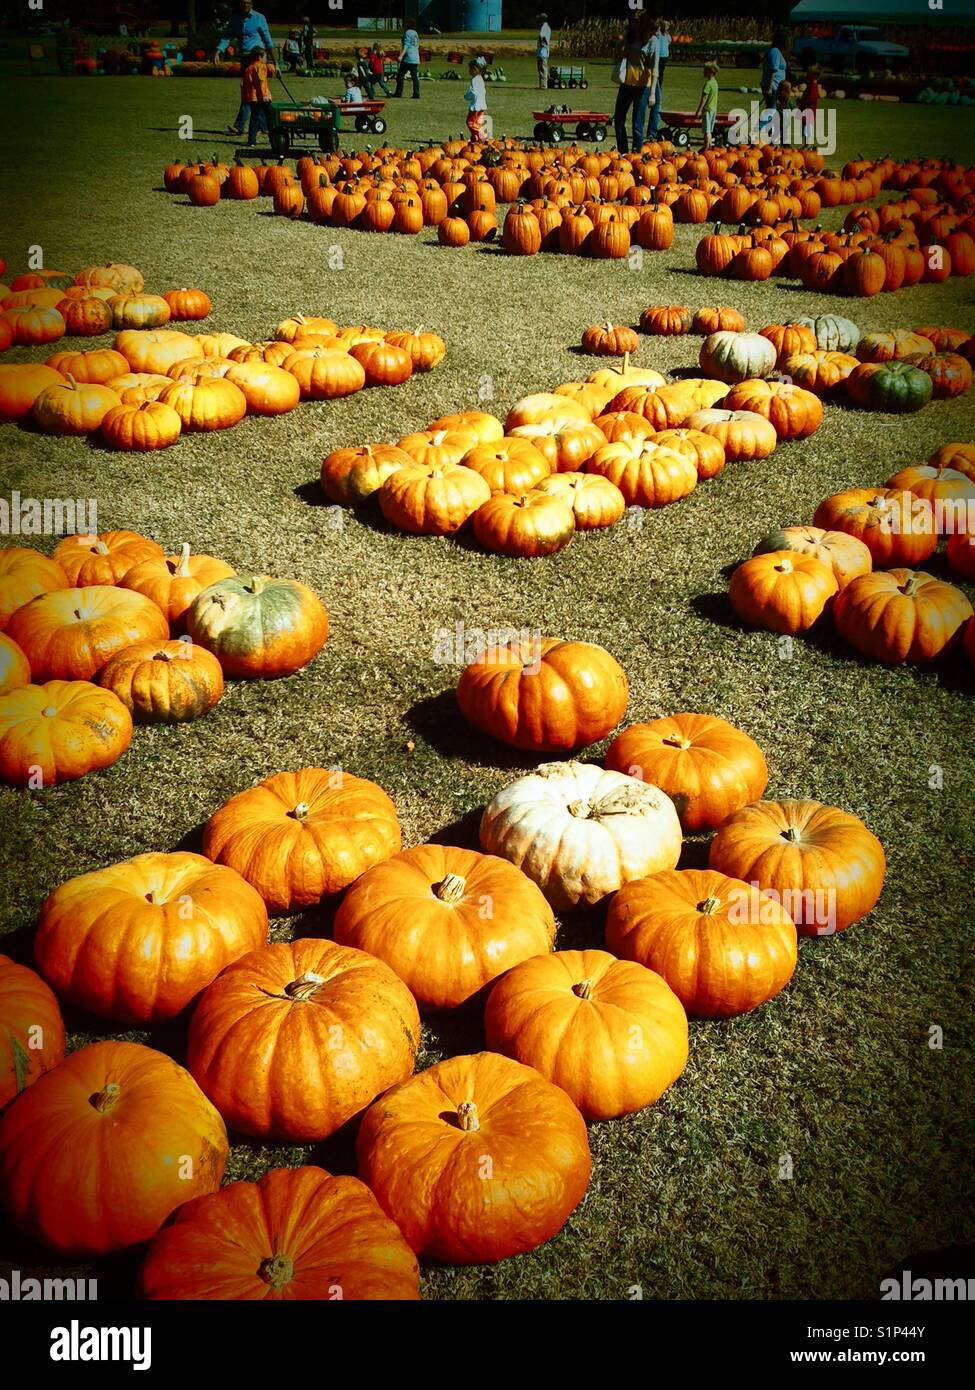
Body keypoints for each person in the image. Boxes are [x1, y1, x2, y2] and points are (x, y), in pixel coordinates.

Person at [219, 0, 275, 132]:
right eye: (243, 2)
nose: (246, 5)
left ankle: (240, 126)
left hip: (258, 58)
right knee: (251, 92)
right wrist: (219, 50)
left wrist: (274, 61)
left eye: (248, 2)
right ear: (240, 4)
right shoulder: (235, 19)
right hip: (245, 58)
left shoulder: (259, 18)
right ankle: (265, 126)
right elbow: (227, 36)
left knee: (253, 92)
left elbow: (267, 39)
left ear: (252, 4)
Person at [613, 11, 657, 155]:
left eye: (636, 21)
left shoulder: (652, 41)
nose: (633, 24)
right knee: (618, 118)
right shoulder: (629, 38)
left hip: (642, 87)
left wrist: (652, 94)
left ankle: (637, 155)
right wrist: (622, 53)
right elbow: (617, 55)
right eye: (631, 21)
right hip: (626, 83)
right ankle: (623, 152)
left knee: (637, 123)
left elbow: (654, 69)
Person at [240, 47, 272, 147]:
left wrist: (245, 98)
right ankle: (273, 138)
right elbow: (261, 81)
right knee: (270, 118)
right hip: (261, 97)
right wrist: (264, 95)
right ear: (260, 57)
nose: (266, 59)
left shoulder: (249, 68)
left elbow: (244, 84)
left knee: (254, 118)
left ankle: (251, 140)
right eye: (265, 57)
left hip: (252, 97)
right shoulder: (261, 66)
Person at [648, 18, 671, 139]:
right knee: (656, 103)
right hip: (651, 72)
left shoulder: (664, 37)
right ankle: (652, 132)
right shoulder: (655, 40)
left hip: (659, 61)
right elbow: (654, 67)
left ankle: (651, 132)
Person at [694, 61, 720, 150]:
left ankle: (706, 148)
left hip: (707, 110)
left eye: (704, 70)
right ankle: (709, 147)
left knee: (706, 131)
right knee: (710, 131)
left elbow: (704, 99)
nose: (703, 72)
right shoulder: (715, 83)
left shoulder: (708, 84)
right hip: (713, 110)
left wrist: (698, 111)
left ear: (710, 72)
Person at [761, 29, 788, 110]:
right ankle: (762, 123)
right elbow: (772, 70)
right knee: (771, 110)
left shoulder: (776, 51)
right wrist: (769, 88)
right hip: (773, 86)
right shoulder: (775, 51)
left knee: (774, 110)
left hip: (776, 86)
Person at [394, 24, 421, 99]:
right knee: (414, 77)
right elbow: (417, 46)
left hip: (408, 58)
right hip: (415, 58)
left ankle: (398, 93)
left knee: (400, 76)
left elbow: (406, 46)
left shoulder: (407, 33)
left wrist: (401, 56)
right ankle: (416, 93)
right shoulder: (416, 33)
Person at [464, 59, 488, 143]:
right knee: (477, 122)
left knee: (470, 122)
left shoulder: (475, 80)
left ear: (475, 69)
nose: (469, 71)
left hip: (476, 106)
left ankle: (482, 135)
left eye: (470, 69)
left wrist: (466, 96)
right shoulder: (481, 79)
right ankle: (475, 138)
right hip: (482, 106)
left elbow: (474, 93)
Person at [536, 13, 552, 90]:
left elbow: (542, 37)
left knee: (543, 68)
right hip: (541, 51)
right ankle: (542, 84)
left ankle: (544, 85)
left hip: (543, 51)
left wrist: (542, 44)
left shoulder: (544, 27)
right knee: (541, 68)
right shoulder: (545, 27)